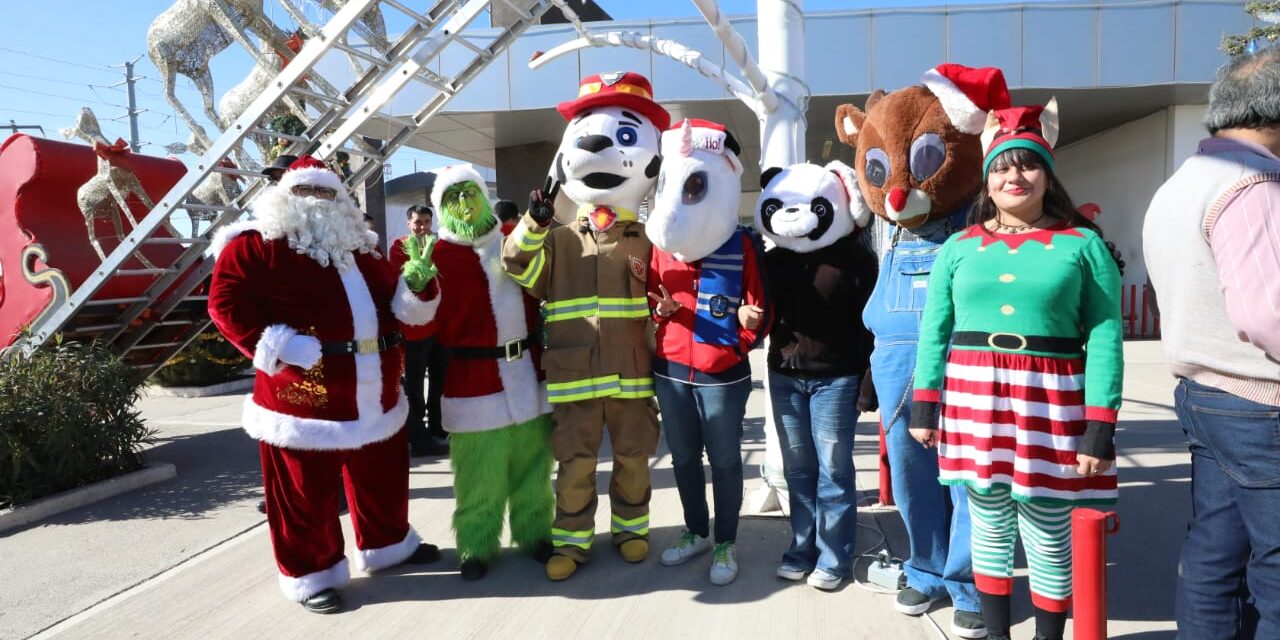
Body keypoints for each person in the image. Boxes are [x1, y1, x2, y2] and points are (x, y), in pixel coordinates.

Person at [910, 102, 1123, 640]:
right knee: (988, 528)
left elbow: (1103, 337)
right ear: (988, 177)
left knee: (1049, 534)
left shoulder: (1084, 245)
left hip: (1051, 406)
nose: (1015, 175)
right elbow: (935, 331)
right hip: (973, 401)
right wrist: (924, 403)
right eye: (1003, 166)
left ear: (1047, 174)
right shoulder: (958, 247)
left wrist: (1100, 424)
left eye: (1027, 164)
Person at [208, 156, 440, 614]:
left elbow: (401, 305)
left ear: (342, 200)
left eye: (327, 192)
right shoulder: (256, 246)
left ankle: (388, 544)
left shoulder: (364, 250)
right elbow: (224, 303)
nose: (317, 201)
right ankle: (311, 572)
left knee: (383, 479)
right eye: (305, 192)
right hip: (301, 396)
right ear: (284, 195)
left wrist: (420, 288)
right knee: (304, 493)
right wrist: (275, 344)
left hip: (376, 392)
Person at [502, 71, 668, 581]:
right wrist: (532, 223)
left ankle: (631, 530)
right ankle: (573, 542)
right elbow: (519, 270)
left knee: (634, 459)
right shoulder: (556, 238)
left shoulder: (648, 238)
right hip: (575, 377)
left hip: (632, 374)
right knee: (574, 465)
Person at [1143, 46, 1280, 640]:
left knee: (1215, 556)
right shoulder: (1251, 184)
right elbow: (1268, 314)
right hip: (1258, 400)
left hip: (1205, 391)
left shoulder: (1183, 181)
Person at [397, 165, 555, 581]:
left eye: (470, 194)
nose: (465, 206)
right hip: (473, 383)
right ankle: (476, 545)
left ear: (484, 197)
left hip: (525, 374)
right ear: (440, 207)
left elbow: (542, 271)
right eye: (454, 199)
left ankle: (536, 532)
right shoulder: (437, 255)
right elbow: (416, 326)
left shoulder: (510, 240)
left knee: (533, 470)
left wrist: (537, 223)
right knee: (478, 478)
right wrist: (417, 288)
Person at [645, 119, 770, 586]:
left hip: (722, 374)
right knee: (681, 458)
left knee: (724, 460)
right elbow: (648, 299)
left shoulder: (740, 246)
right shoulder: (662, 247)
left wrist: (742, 337)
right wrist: (660, 313)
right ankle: (695, 530)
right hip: (673, 370)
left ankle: (725, 540)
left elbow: (760, 305)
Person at [754, 161, 877, 593]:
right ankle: (802, 546)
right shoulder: (773, 261)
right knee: (799, 469)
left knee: (834, 471)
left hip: (837, 377)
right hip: (786, 374)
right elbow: (760, 314)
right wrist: (750, 318)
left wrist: (868, 382)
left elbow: (871, 324)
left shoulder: (857, 259)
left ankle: (834, 555)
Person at [389, 204, 449, 457]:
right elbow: (397, 282)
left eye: (426, 221)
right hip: (412, 331)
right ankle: (418, 434)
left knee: (440, 381)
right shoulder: (399, 246)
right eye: (417, 222)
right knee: (413, 384)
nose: (422, 227)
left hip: (441, 327)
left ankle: (438, 429)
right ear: (408, 223)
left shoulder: (440, 246)